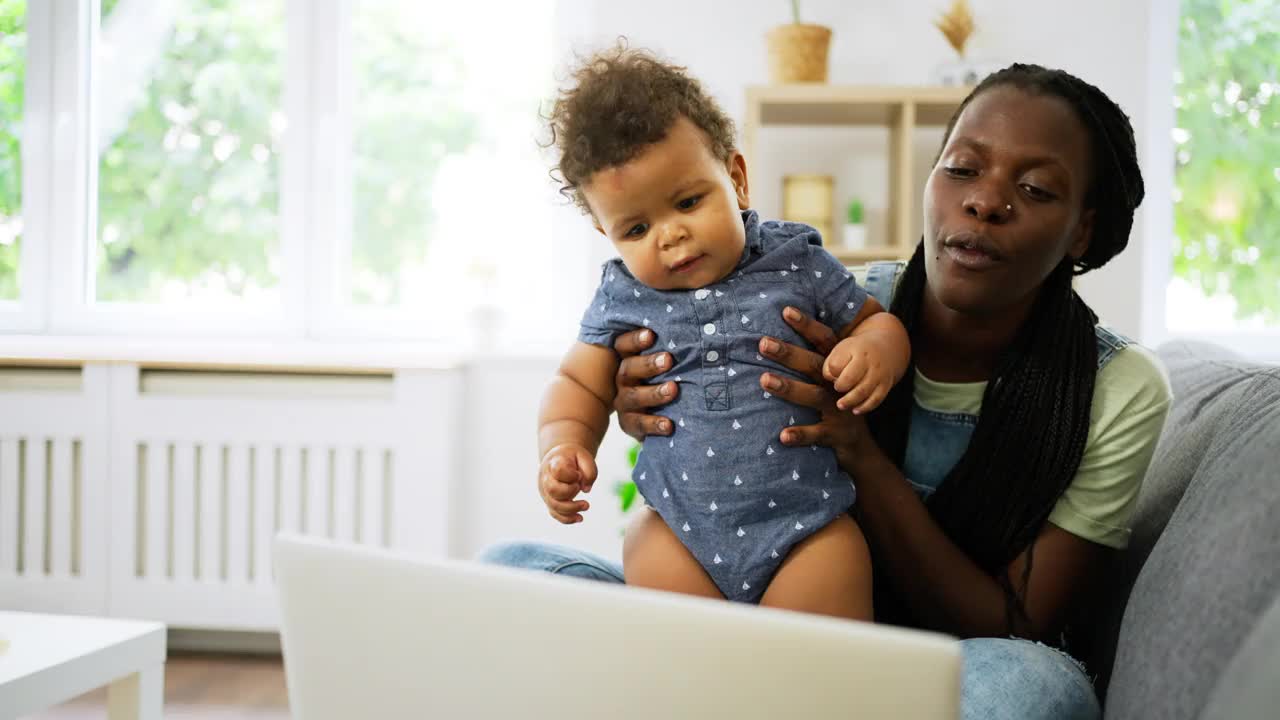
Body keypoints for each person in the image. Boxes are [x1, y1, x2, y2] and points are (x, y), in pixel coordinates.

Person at [485, 61, 1171, 720]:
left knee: (1035, 687)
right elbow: (587, 381)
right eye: (961, 169)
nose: (985, 200)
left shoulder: (1107, 385)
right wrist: (613, 412)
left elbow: (1022, 621)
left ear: (1083, 225)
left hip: (874, 600)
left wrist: (859, 448)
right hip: (693, 541)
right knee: (508, 574)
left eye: (1036, 189)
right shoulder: (827, 293)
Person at [536, 46, 909, 620]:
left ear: (735, 178)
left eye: (688, 201)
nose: (671, 235)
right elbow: (578, 384)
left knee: (823, 659)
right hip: (678, 532)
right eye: (636, 227)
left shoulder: (794, 259)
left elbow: (874, 321)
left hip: (806, 526)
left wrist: (874, 349)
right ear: (605, 231)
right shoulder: (622, 295)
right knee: (677, 629)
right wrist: (564, 446)